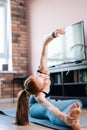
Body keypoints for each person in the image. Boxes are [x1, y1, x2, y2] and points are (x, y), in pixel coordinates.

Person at [16, 28, 82, 130]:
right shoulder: (39, 97)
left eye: (42, 76)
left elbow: (45, 45)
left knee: (77, 102)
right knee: (49, 111)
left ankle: (72, 116)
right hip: (35, 108)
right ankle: (70, 122)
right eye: (44, 81)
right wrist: (65, 118)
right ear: (39, 90)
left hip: (51, 101)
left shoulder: (42, 70)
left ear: (37, 73)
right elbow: (50, 108)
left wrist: (53, 35)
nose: (46, 77)